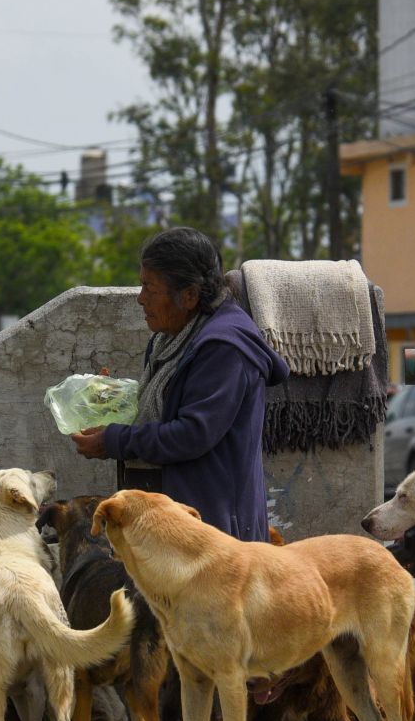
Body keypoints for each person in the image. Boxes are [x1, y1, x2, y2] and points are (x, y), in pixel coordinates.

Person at [70, 226, 288, 541]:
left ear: (188, 296)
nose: (140, 299)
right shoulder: (172, 339)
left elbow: (192, 434)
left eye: (150, 288)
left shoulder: (223, 348)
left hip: (210, 531)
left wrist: (112, 441)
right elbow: (165, 404)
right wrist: (114, 399)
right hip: (172, 522)